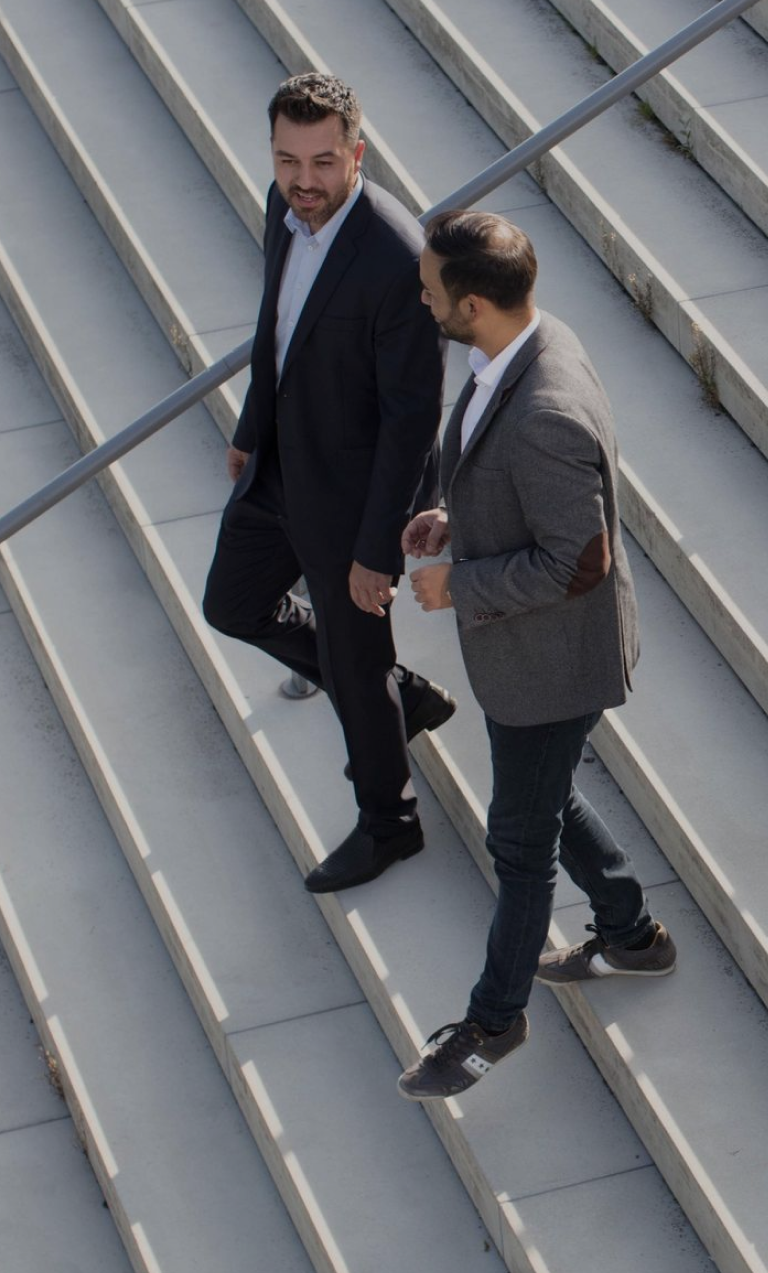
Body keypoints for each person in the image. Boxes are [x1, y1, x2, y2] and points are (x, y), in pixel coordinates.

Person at [397, 211, 675, 1101]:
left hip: (554, 662)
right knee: (541, 798)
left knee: (518, 841)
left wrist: (459, 584)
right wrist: (458, 519)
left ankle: (493, 1022)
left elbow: (580, 561)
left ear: (473, 303)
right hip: (532, 660)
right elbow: (516, 485)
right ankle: (631, 932)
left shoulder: (546, 409)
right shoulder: (525, 340)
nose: (422, 297)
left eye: (431, 289)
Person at [203, 73, 454, 894]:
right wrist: (249, 431)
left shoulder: (394, 257)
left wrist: (378, 546)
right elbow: (274, 324)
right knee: (231, 604)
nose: (302, 181)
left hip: (351, 496)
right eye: (285, 161)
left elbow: (413, 419)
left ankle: (392, 824)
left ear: (357, 152)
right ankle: (398, 695)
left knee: (354, 660)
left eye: (320, 162)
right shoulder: (287, 209)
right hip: (279, 464)